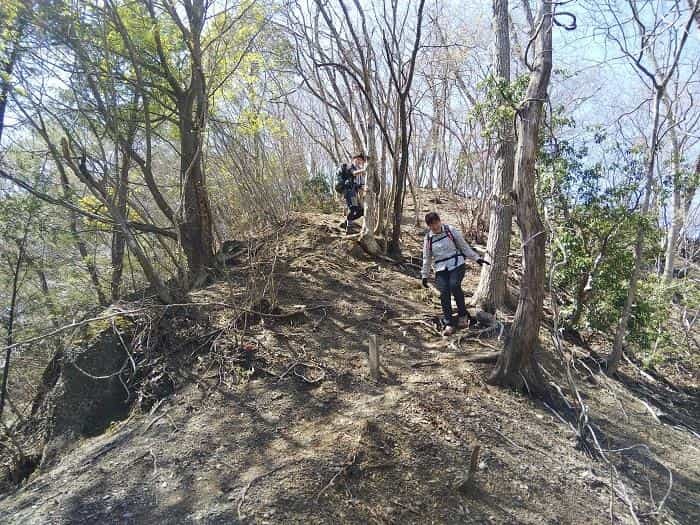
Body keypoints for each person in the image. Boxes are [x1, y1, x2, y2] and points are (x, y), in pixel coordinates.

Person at [421, 212, 489, 336]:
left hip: (457, 263)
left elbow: (464, 246)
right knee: (444, 293)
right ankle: (448, 323)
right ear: (429, 226)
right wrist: (424, 275)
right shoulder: (428, 239)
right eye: (431, 225)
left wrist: (477, 258)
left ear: (439, 221)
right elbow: (427, 258)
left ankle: (463, 316)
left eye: (436, 223)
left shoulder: (450, 230)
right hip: (441, 268)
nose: (435, 227)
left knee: (454, 285)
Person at [336, 153, 367, 224]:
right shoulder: (349, 166)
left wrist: (365, 188)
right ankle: (349, 227)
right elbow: (353, 173)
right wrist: (364, 170)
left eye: (361, 160)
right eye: (358, 159)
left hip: (353, 192)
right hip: (348, 190)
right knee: (353, 208)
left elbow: (359, 185)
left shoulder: (359, 172)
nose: (359, 161)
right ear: (353, 159)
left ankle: (345, 222)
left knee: (362, 211)